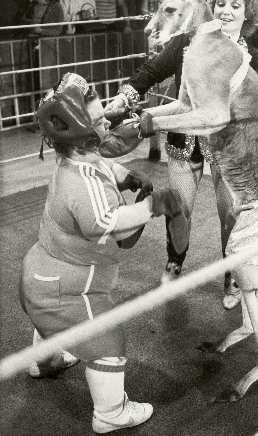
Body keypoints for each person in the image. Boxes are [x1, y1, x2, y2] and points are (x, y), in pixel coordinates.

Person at [103, 0, 258, 310]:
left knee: (231, 214)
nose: (226, 11)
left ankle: (232, 276)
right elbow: (150, 71)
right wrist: (123, 98)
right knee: (178, 207)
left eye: (236, 5)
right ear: (209, 5)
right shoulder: (185, 44)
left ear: (248, 14)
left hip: (229, 150)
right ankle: (174, 264)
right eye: (220, 3)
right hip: (184, 142)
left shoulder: (252, 57)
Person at [19, 72, 188, 433]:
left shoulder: (77, 161)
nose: (107, 122)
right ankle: (110, 413)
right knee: (107, 340)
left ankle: (44, 361)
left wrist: (128, 177)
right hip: (67, 288)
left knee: (52, 321)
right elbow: (106, 223)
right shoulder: (81, 180)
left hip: (42, 277)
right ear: (79, 131)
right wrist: (153, 206)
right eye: (98, 120)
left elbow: (105, 165)